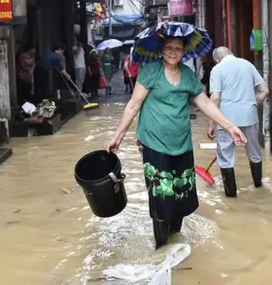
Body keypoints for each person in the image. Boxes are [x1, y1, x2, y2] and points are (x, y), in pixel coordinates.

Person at [106, 37, 247, 250]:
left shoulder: (188, 76)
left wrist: (229, 126)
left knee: (181, 195)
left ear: (184, 53)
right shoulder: (150, 72)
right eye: (169, 48)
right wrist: (118, 136)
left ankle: (176, 245)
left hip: (182, 145)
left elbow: (206, 103)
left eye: (178, 49)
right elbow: (134, 105)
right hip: (154, 144)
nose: (173, 52)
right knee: (161, 197)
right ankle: (161, 250)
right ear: (162, 51)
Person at [207, 47, 269, 197]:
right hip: (249, 115)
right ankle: (258, 186)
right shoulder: (248, 64)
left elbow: (215, 98)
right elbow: (265, 90)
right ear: (231, 53)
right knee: (254, 152)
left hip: (226, 120)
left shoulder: (217, 69)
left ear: (216, 59)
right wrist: (251, 102)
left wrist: (211, 123)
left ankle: (231, 196)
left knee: (226, 158)